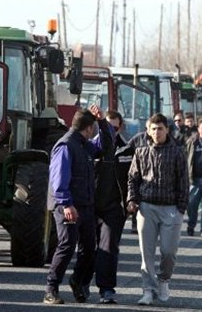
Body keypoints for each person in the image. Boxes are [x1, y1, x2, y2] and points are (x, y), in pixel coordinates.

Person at [127, 113, 188, 306]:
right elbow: (132, 178)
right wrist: (132, 200)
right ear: (148, 130)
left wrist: (181, 208)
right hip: (147, 208)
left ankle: (164, 280)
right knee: (147, 253)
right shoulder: (141, 152)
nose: (157, 132)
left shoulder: (177, 152)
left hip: (171, 208)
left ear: (167, 130)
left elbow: (184, 182)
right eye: (153, 128)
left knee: (168, 251)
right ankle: (148, 290)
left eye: (160, 128)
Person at [44, 108, 99, 305]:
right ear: (89, 128)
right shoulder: (67, 145)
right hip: (67, 206)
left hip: (85, 205)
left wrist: (104, 124)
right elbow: (59, 179)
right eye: (94, 127)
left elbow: (102, 145)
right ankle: (51, 289)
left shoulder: (83, 145)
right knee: (67, 245)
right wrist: (66, 204)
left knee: (89, 247)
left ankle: (78, 280)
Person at [81, 110, 128, 304]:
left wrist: (131, 202)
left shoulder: (128, 150)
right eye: (106, 126)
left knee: (108, 249)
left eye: (114, 128)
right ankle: (81, 281)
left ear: (120, 128)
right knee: (87, 249)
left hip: (113, 208)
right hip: (90, 206)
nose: (110, 131)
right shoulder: (90, 147)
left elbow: (134, 178)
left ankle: (107, 289)